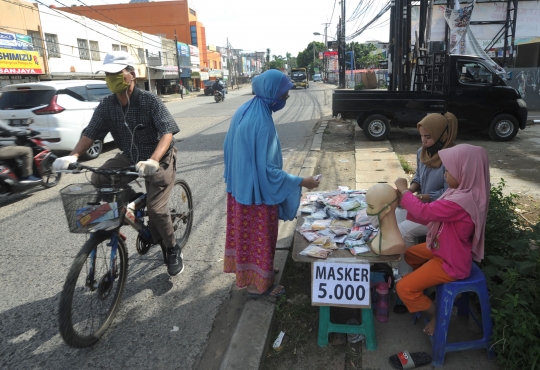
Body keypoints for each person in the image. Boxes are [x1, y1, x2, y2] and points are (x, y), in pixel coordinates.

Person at [52, 51, 183, 276]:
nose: (111, 77)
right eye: (108, 74)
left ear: (131, 75)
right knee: (100, 176)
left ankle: (172, 248)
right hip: (131, 156)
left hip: (158, 157)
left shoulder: (149, 100)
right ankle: (134, 201)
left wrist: (153, 159)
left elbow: (167, 132)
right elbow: (91, 133)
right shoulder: (107, 105)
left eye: (116, 73)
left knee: (157, 209)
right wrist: (73, 156)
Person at [223, 69, 320, 297]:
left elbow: (229, 149)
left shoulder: (245, 109)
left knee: (248, 238)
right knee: (261, 236)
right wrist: (301, 181)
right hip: (257, 193)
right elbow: (268, 171)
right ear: (271, 94)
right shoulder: (262, 121)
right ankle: (258, 287)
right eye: (283, 95)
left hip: (240, 188)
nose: (285, 99)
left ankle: (259, 271)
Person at [394, 144, 490, 336]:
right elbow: (430, 215)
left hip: (450, 261)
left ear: (465, 172)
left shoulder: (463, 201)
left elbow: (425, 211)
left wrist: (405, 192)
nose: (445, 175)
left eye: (449, 171)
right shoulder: (458, 193)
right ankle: (428, 288)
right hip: (442, 248)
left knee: (403, 288)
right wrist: (406, 204)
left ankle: (437, 314)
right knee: (408, 254)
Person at [396, 112, 458, 274]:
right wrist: (408, 192)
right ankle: (408, 262)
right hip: (422, 206)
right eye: (421, 136)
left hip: (440, 212)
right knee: (396, 214)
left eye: (428, 137)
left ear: (442, 135)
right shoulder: (422, 152)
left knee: (404, 230)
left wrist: (421, 198)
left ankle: (405, 275)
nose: (424, 141)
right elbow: (418, 178)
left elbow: (448, 192)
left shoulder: (452, 158)